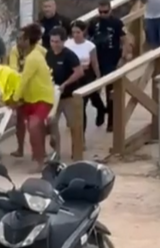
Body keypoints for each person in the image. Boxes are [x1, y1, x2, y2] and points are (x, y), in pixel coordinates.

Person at [11, 23, 56, 166]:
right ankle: (40, 154)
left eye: (21, 39)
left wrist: (15, 99)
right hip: (30, 98)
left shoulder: (34, 57)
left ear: (28, 40)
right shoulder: (27, 53)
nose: (18, 42)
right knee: (35, 127)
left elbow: (24, 79)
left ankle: (39, 160)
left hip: (43, 97)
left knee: (34, 126)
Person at [88, 0, 128, 130]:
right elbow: (88, 38)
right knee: (92, 90)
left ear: (110, 10)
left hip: (112, 59)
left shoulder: (116, 23)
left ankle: (111, 122)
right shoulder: (94, 22)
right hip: (96, 59)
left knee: (111, 92)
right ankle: (100, 109)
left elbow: (124, 40)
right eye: (100, 12)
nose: (103, 14)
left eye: (105, 11)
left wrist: (123, 57)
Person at [46, 26, 85, 146]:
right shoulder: (48, 54)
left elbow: (79, 72)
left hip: (69, 95)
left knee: (74, 124)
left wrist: (65, 84)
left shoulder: (69, 55)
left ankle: (77, 149)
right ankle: (56, 153)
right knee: (52, 124)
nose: (54, 44)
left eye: (57, 42)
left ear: (63, 41)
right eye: (52, 41)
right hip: (54, 95)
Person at [64, 20, 105, 132]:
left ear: (83, 32)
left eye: (78, 32)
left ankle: (101, 109)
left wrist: (98, 77)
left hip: (87, 75)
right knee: (80, 105)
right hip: (73, 74)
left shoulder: (90, 46)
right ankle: (81, 135)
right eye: (73, 32)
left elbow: (94, 63)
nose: (75, 35)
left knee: (94, 97)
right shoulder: (67, 44)